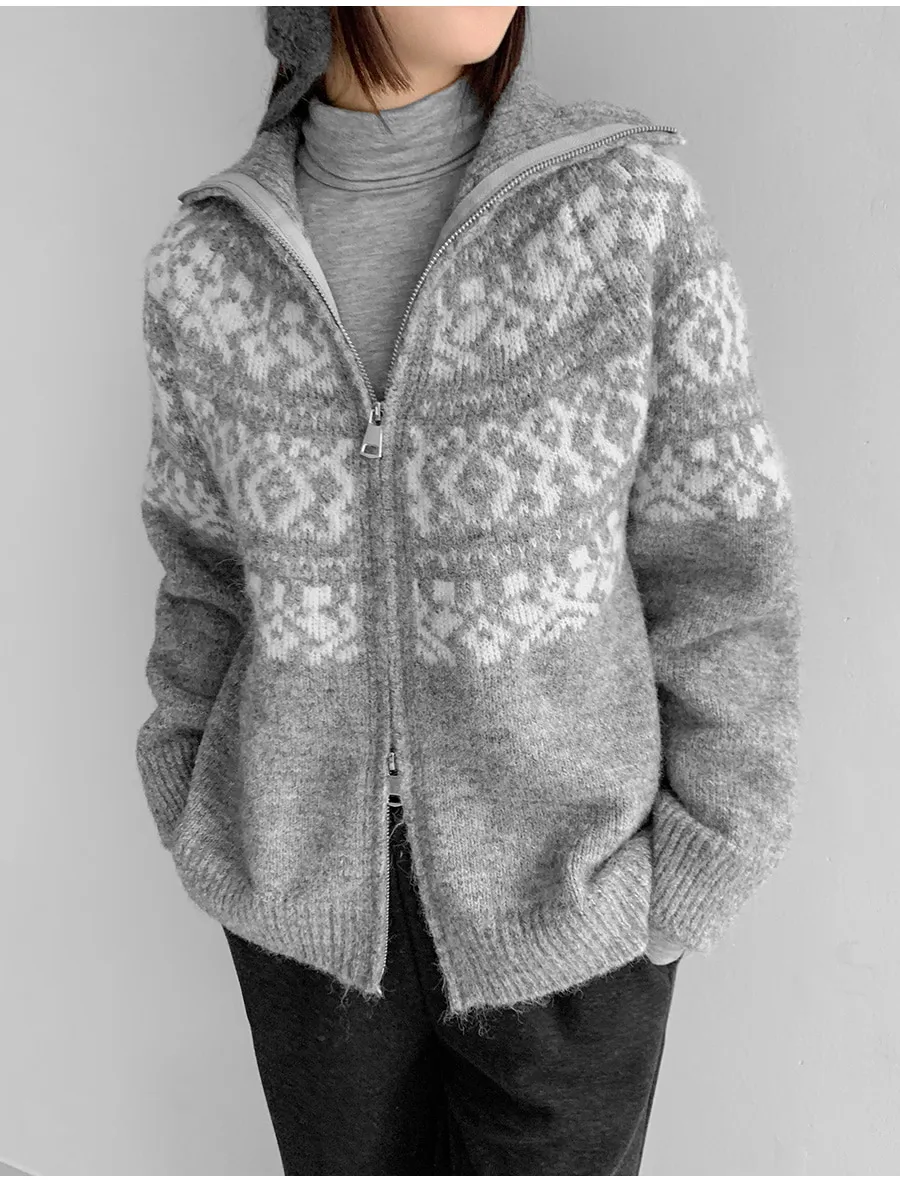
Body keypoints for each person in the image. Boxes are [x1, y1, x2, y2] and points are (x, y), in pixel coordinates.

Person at [135, 6, 802, 1175]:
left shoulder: (619, 208)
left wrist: (714, 844)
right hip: (299, 910)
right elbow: (201, 573)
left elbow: (724, 558)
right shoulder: (205, 265)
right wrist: (188, 790)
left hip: (574, 913)